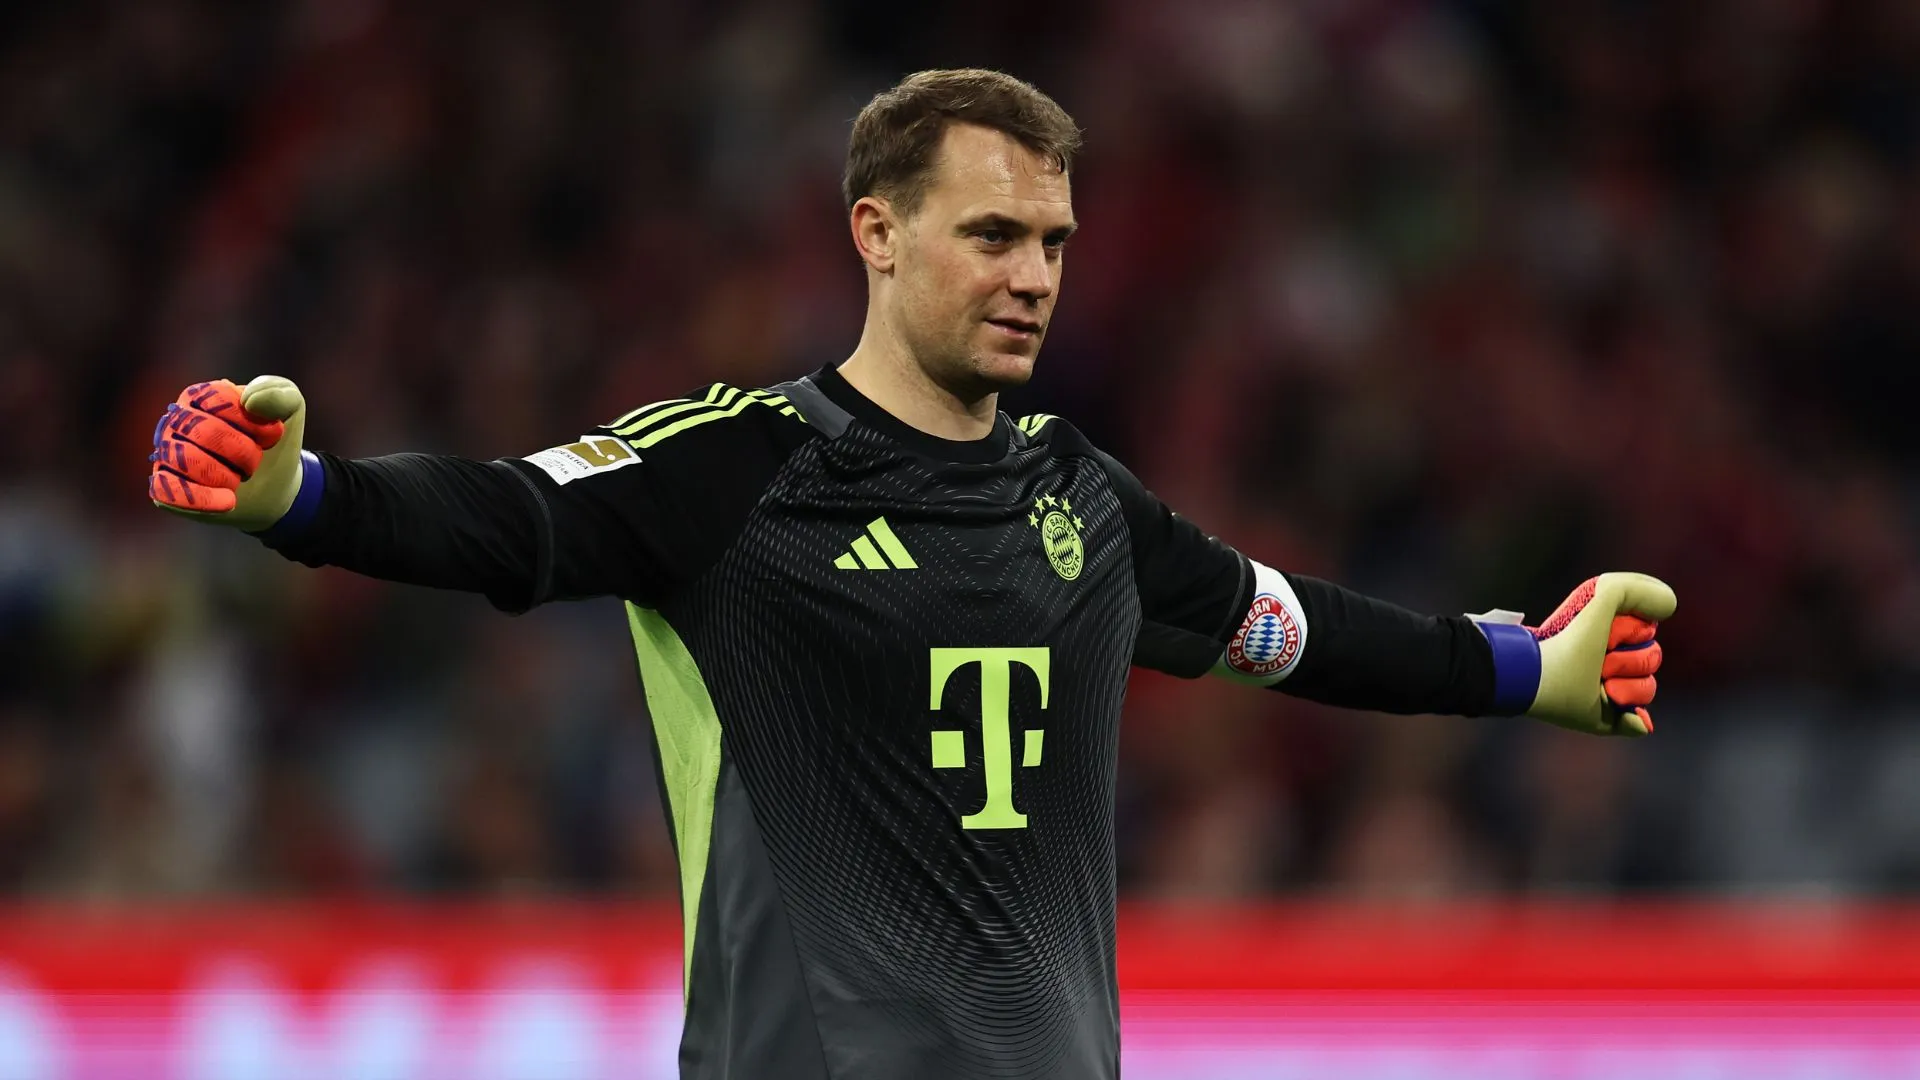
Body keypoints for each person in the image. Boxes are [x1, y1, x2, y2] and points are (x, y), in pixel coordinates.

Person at [146, 68, 1673, 1080]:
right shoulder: (732, 466)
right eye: (994, 233)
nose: (1033, 276)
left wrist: (1524, 671)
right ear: (877, 234)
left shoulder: (1084, 501)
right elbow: (499, 518)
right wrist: (302, 494)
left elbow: (1299, 631)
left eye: (1056, 241)